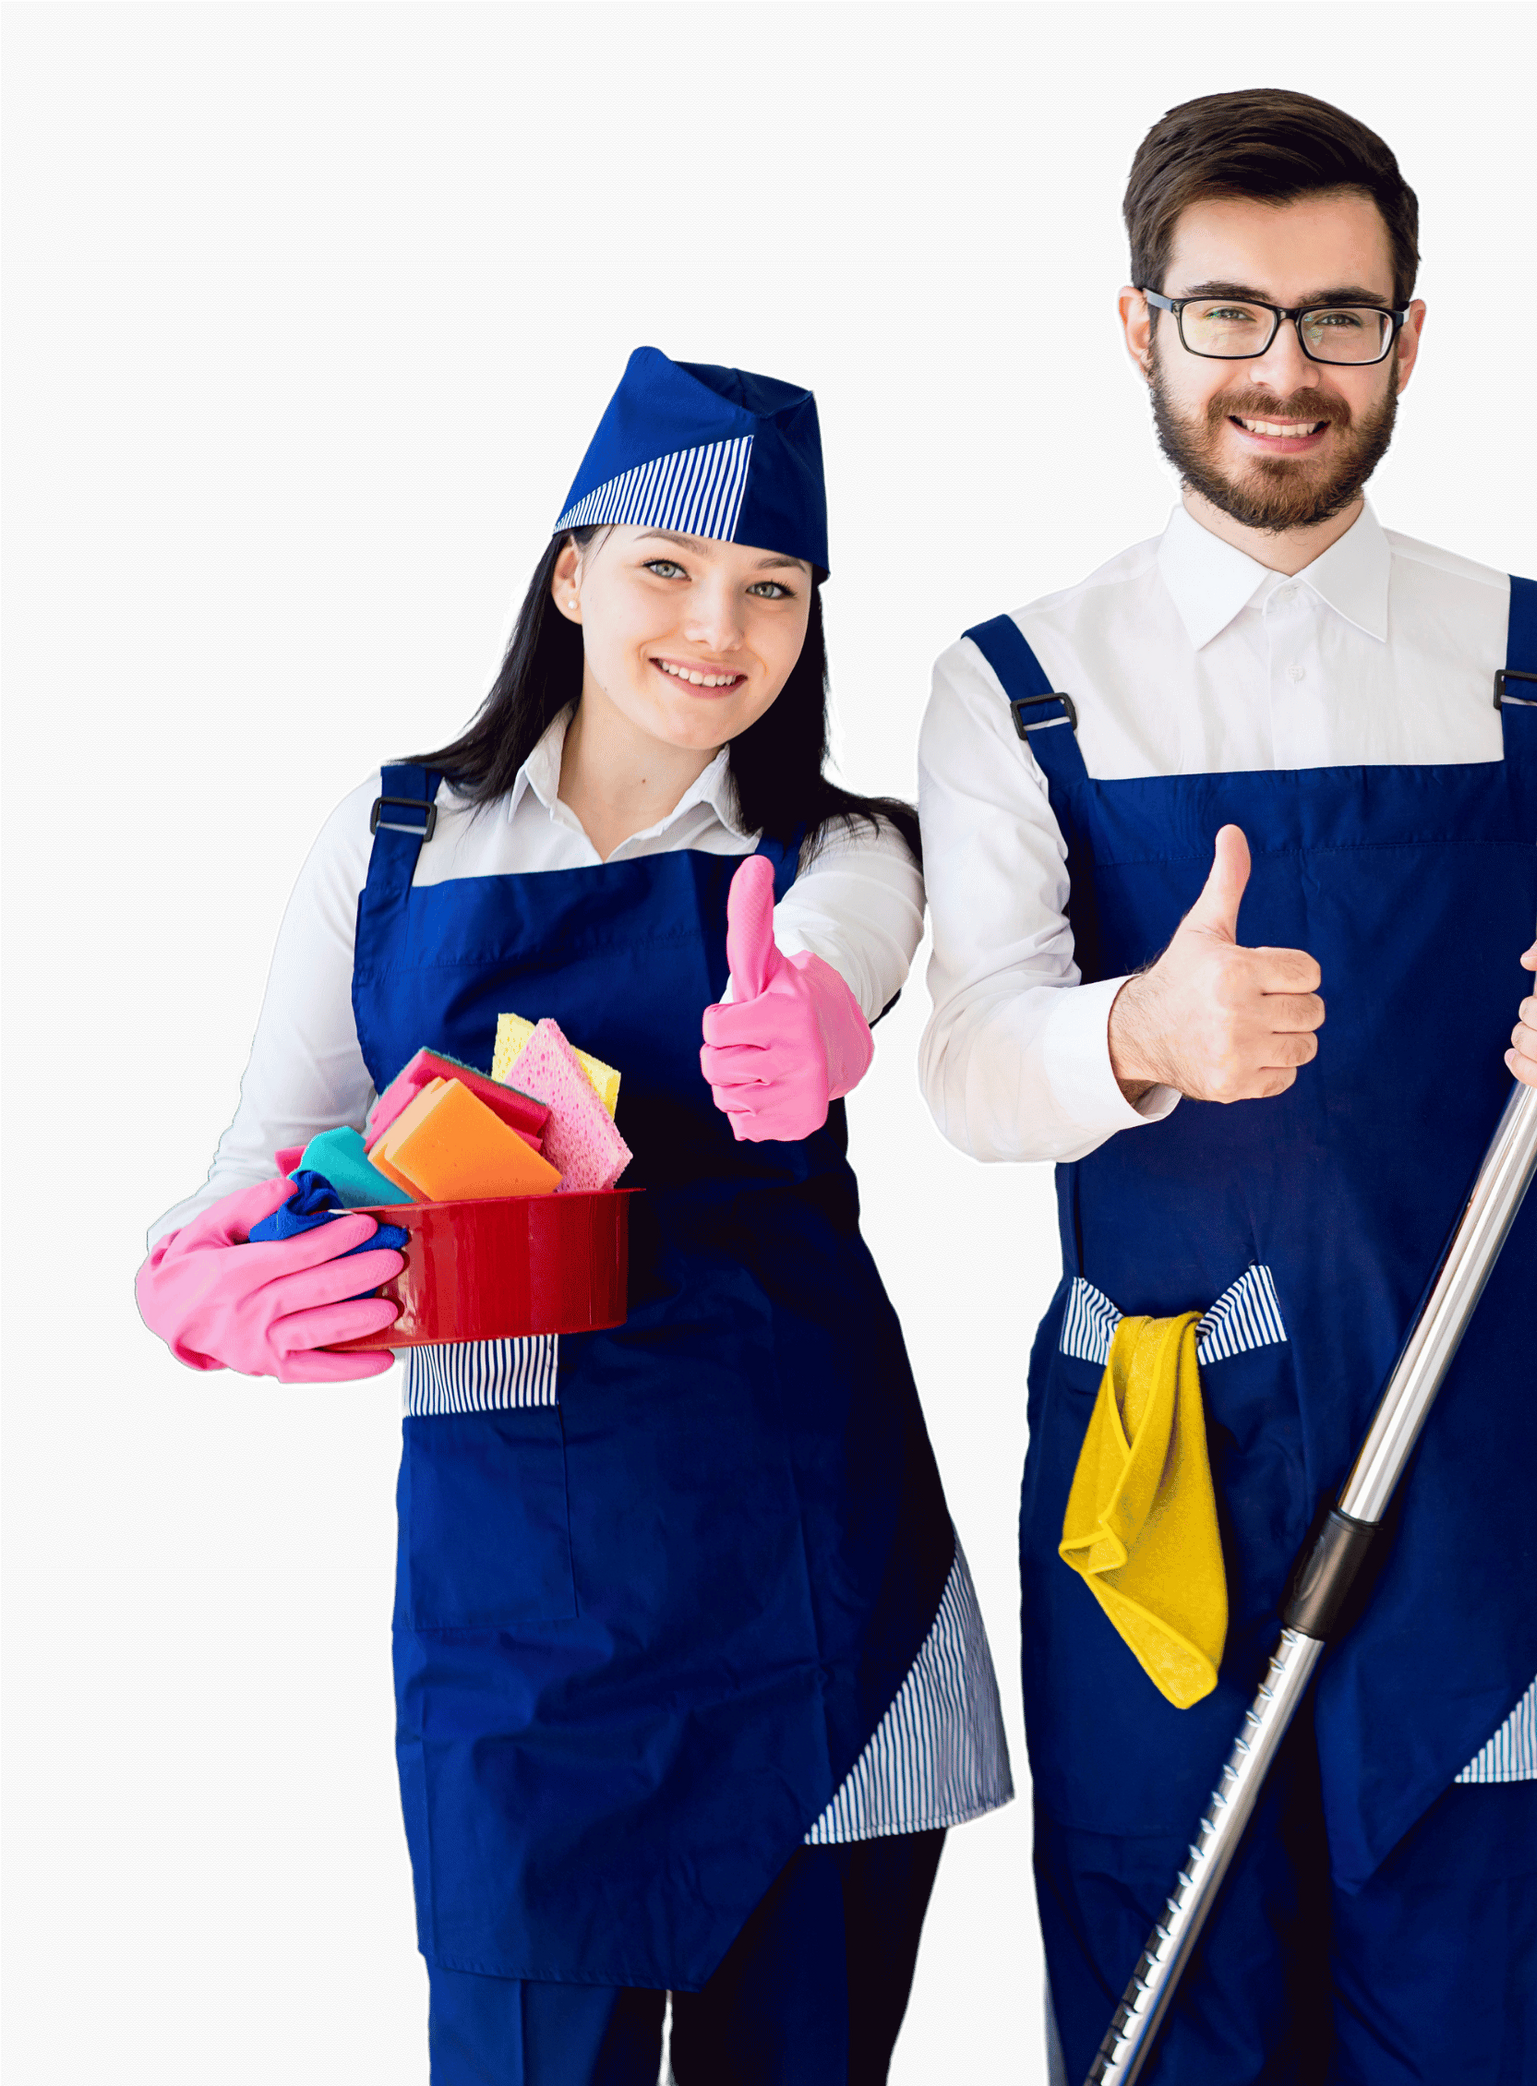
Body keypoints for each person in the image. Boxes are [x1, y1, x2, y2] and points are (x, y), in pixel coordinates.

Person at [136, 346, 1013, 2086]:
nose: (720, 626)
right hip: (512, 1626)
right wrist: (190, 1284)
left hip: (815, 1590)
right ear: (572, 573)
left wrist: (812, 1031)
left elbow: (846, 956)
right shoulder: (395, 840)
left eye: (774, 588)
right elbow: (257, 1162)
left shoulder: (850, 849)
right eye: (670, 569)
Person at [914, 89, 1537, 2085]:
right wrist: (1140, 1037)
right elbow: (966, 1065)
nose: (1286, 369)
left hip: (1475, 1472)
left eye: (1341, 318)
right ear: (1139, 328)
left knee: (1452, 2025)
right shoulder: (1022, 682)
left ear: (1411, 340)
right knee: (1180, 2031)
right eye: (1229, 311)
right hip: (1160, 1467)